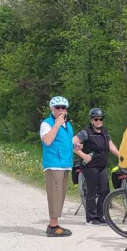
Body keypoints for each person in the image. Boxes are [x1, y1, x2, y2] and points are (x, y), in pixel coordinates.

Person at [73, 107, 120, 225]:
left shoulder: (104, 132)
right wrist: (83, 155)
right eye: (96, 119)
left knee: (105, 190)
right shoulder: (85, 133)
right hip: (90, 167)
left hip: (101, 166)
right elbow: (73, 142)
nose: (98, 121)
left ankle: (100, 215)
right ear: (91, 120)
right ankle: (91, 218)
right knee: (92, 191)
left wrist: (121, 156)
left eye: (100, 119)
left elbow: (111, 145)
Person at [40, 96, 75, 237]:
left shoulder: (68, 125)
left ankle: (55, 223)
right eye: (58, 107)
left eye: (63, 107)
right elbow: (47, 141)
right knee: (55, 194)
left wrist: (75, 145)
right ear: (52, 109)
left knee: (60, 195)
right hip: (54, 164)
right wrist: (57, 124)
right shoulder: (47, 124)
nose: (61, 110)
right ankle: (52, 226)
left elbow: (64, 142)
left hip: (65, 164)